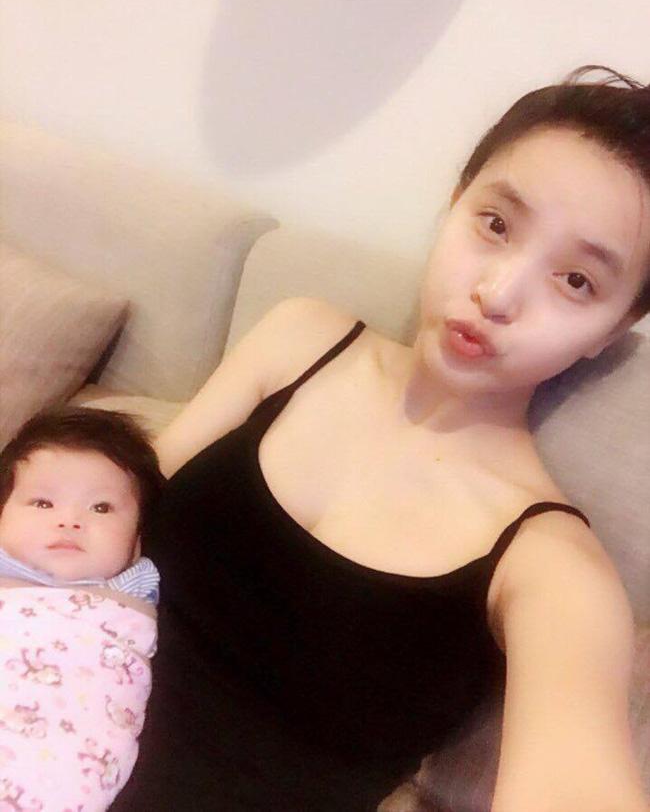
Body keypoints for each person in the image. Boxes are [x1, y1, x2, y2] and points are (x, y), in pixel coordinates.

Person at [119, 65, 650, 812]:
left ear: (612, 331)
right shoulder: (300, 339)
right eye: (495, 225)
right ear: (454, 202)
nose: (497, 293)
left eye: (576, 281)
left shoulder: (553, 569)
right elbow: (114, 517)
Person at [0, 407, 164, 811]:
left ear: (137, 542)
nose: (69, 521)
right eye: (42, 502)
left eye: (101, 508)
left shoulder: (130, 594)